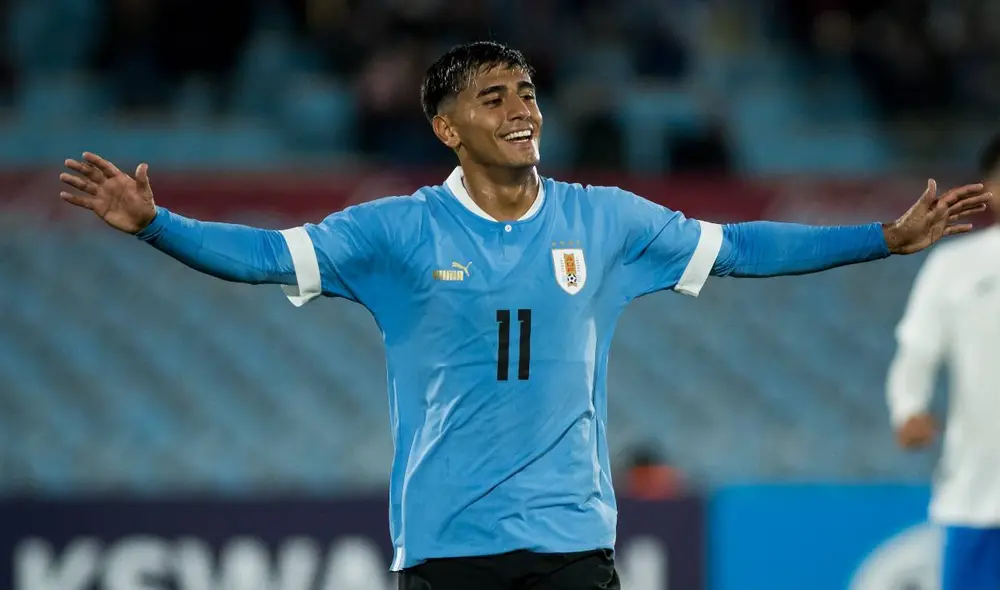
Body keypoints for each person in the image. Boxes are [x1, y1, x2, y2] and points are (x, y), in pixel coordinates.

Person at [59, 41, 989, 590]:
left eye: (529, 93)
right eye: (493, 97)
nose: (521, 109)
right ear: (447, 128)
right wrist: (158, 227)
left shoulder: (607, 220)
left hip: (572, 545)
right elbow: (267, 257)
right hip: (447, 547)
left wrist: (883, 238)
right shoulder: (397, 231)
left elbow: (743, 246)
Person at [886, 133, 1000, 590]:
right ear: (989, 188)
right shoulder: (955, 265)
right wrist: (908, 409)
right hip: (979, 489)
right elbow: (916, 349)